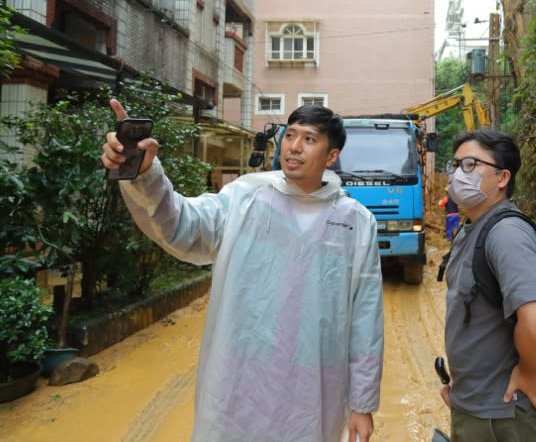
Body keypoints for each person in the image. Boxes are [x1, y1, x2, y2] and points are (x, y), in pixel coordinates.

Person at [101, 99, 384, 442]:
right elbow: (181, 226)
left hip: (312, 390)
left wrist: (362, 404)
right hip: (240, 382)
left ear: (331, 157)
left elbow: (366, 318)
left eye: (309, 139)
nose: (293, 147)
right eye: (290, 135)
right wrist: (145, 173)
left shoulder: (354, 222)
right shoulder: (245, 199)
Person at [439, 128, 536, 441]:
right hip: (478, 405)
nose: (457, 174)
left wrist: (530, 370)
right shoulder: (473, 227)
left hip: (503, 414)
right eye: (454, 165)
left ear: (502, 178)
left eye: (470, 165)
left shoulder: (506, 234)